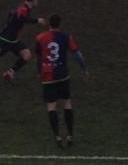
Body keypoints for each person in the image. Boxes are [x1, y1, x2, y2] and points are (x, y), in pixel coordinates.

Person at [35, 14, 88, 148]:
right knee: (67, 103)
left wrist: (39, 73)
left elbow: (38, 58)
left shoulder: (40, 38)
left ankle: (58, 136)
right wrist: (84, 69)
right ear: (60, 24)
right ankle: (70, 135)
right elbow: (77, 54)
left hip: (47, 77)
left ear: (49, 24)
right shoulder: (65, 37)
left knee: (51, 106)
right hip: (63, 75)